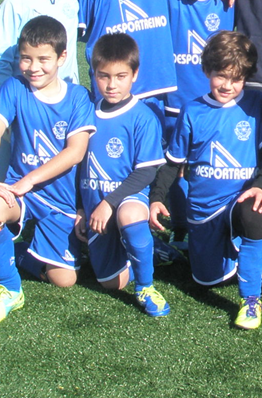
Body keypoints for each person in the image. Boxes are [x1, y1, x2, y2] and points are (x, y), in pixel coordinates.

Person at [0, 16, 95, 323]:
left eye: (43, 59)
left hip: (60, 200)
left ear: (62, 57)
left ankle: (15, 253)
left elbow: (75, 152)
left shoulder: (78, 96)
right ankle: (9, 289)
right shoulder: (14, 87)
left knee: (64, 280)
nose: (33, 67)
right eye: (26, 58)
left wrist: (30, 180)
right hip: (20, 192)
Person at [149, 31, 262, 329]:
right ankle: (223, 250)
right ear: (207, 71)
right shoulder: (193, 110)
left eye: (236, 79)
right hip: (204, 210)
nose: (228, 85)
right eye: (221, 76)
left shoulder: (256, 104)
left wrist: (259, 186)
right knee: (207, 280)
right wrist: (156, 198)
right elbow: (173, 162)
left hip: (240, 200)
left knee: (253, 212)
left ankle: (251, 299)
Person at [76, 33, 170, 317]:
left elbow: (147, 171)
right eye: (104, 76)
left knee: (129, 215)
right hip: (94, 206)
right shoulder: (86, 112)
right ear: (94, 73)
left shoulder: (143, 117)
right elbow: (76, 164)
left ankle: (145, 287)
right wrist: (80, 208)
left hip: (128, 198)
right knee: (111, 283)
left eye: (120, 76)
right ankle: (145, 251)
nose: (111, 84)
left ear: (134, 74)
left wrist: (109, 202)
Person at [162, 0, 236, 248]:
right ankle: (180, 227)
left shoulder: (227, 0)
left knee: (210, 166)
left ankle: (215, 223)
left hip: (213, 103)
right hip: (175, 103)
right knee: (176, 167)